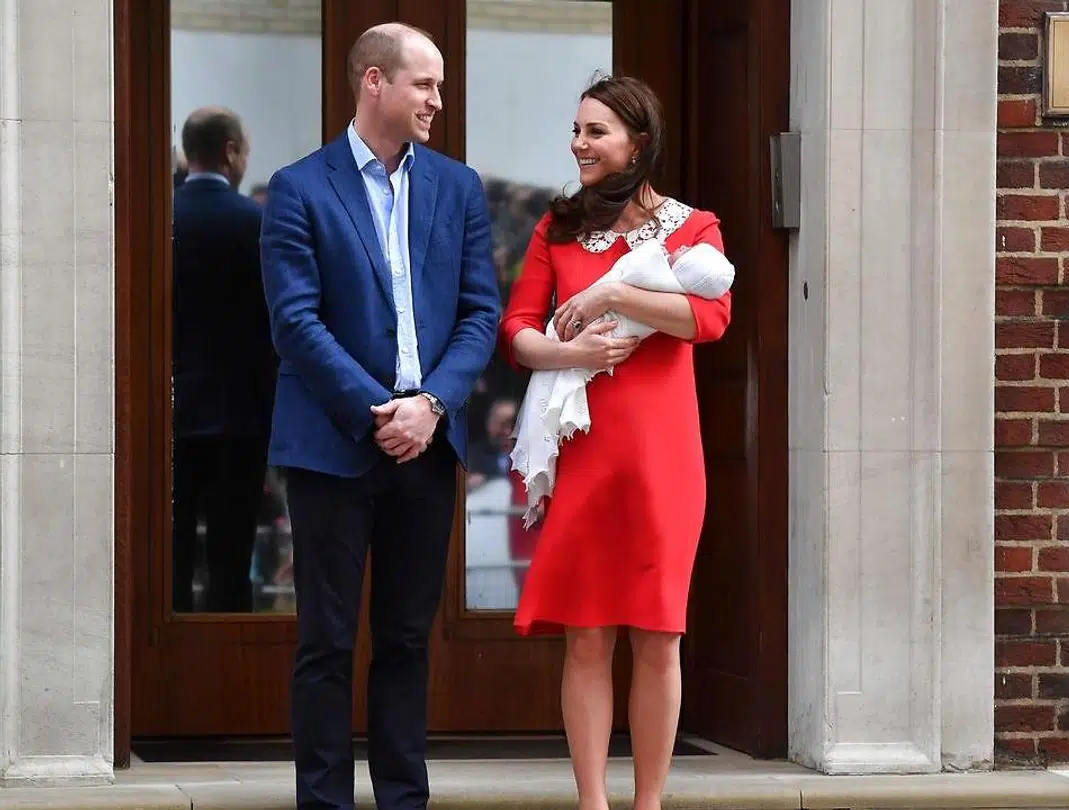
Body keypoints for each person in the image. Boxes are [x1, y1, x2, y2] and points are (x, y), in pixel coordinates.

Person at [258, 22, 499, 810]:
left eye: (438, 85)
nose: (438, 99)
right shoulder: (298, 188)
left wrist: (430, 407)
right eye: (424, 83)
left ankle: (403, 800)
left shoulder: (458, 188)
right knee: (325, 643)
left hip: (427, 450)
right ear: (373, 82)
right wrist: (378, 414)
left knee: (404, 639)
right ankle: (323, 803)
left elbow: (478, 314)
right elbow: (295, 322)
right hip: (332, 448)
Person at [499, 74, 732, 810]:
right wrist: (571, 354)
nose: (579, 144)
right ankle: (592, 802)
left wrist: (611, 294)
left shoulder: (695, 228)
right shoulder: (555, 227)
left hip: (663, 460)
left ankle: (650, 803)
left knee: (659, 636)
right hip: (584, 457)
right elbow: (517, 333)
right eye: (576, 130)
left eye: (595, 131)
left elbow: (711, 319)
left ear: (639, 142)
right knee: (587, 638)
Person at [169, 106, 277, 613]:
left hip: (170, 411)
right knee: (231, 555)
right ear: (231, 152)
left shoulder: (160, 219)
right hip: (241, 413)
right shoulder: (256, 223)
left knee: (169, 553)